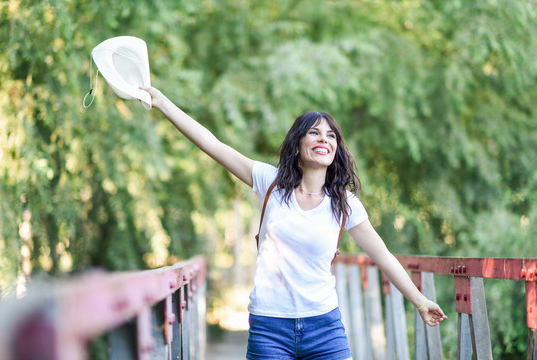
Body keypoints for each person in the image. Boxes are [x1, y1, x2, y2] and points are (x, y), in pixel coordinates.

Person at [140, 86, 448, 360]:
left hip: (325, 326)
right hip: (270, 327)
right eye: (314, 132)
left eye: (331, 135)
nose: (323, 139)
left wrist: (420, 302)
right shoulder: (271, 183)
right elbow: (214, 145)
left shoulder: (345, 204)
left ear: (336, 149)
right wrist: (162, 102)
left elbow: (384, 258)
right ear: (297, 144)